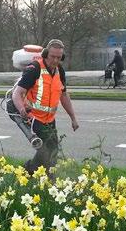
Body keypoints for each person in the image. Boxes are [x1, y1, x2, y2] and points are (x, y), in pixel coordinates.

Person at [12, 39, 79, 177]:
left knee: (53, 150)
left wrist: (73, 118)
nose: (55, 60)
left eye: (59, 58)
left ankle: (29, 172)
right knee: (46, 152)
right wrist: (22, 109)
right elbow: (17, 93)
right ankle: (48, 178)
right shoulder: (34, 69)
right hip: (34, 119)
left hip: (49, 120)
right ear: (46, 54)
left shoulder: (60, 71)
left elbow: (64, 95)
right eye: (52, 56)